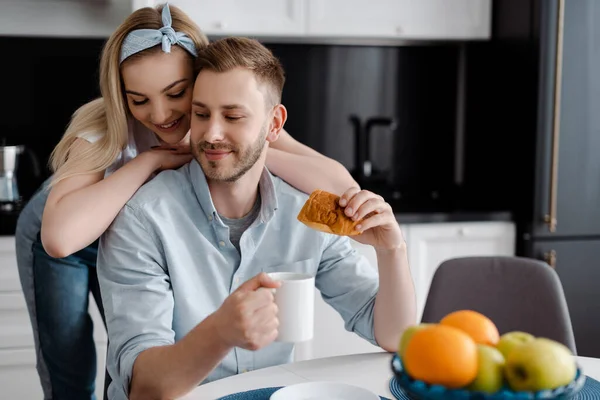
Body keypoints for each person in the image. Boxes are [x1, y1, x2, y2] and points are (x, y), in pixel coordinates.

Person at [15, 4, 357, 400]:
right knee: (70, 370)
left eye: (177, 93)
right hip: (67, 235)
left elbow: (340, 186)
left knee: (135, 355)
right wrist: (150, 160)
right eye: (138, 100)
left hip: (132, 235)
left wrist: (241, 153)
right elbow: (60, 238)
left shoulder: (219, 118)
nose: (159, 115)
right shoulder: (103, 127)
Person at [97, 36, 417, 400]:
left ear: (273, 124)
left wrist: (393, 250)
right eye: (201, 114)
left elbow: (393, 335)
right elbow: (143, 387)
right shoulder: (142, 219)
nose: (212, 134)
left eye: (232, 116)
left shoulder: (305, 214)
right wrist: (219, 333)